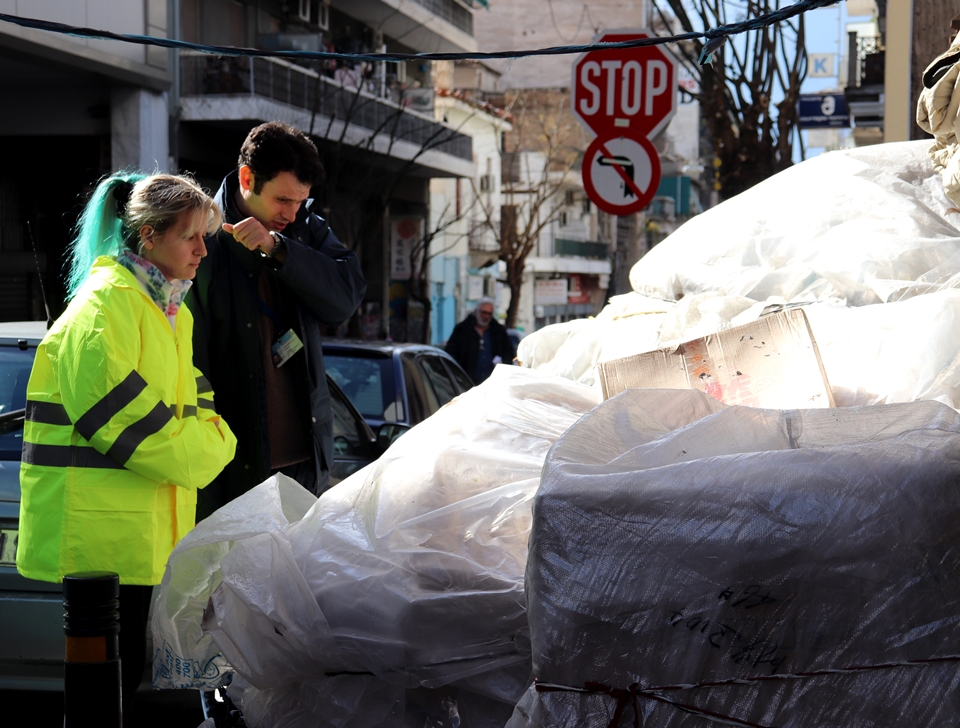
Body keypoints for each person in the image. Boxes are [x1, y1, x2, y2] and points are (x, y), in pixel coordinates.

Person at [16, 172, 237, 718]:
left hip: (131, 534)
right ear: (148, 237)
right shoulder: (105, 307)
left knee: (118, 684)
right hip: (100, 539)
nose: (202, 250)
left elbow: (197, 406)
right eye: (190, 236)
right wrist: (211, 449)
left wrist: (210, 442)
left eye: (204, 236)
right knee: (103, 692)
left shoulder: (168, 310)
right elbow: (133, 427)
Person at [188, 121, 366, 522]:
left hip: (304, 463)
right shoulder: (202, 238)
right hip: (232, 464)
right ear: (247, 179)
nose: (292, 212)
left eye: (301, 200)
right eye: (283, 199)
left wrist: (278, 248)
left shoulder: (305, 229)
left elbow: (345, 299)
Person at [445, 298, 516, 385]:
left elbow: (508, 353)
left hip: (493, 383)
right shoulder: (462, 330)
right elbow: (451, 353)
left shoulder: (499, 332)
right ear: (476, 312)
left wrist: (502, 367)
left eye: (489, 313)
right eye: (484, 312)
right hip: (466, 382)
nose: (486, 316)